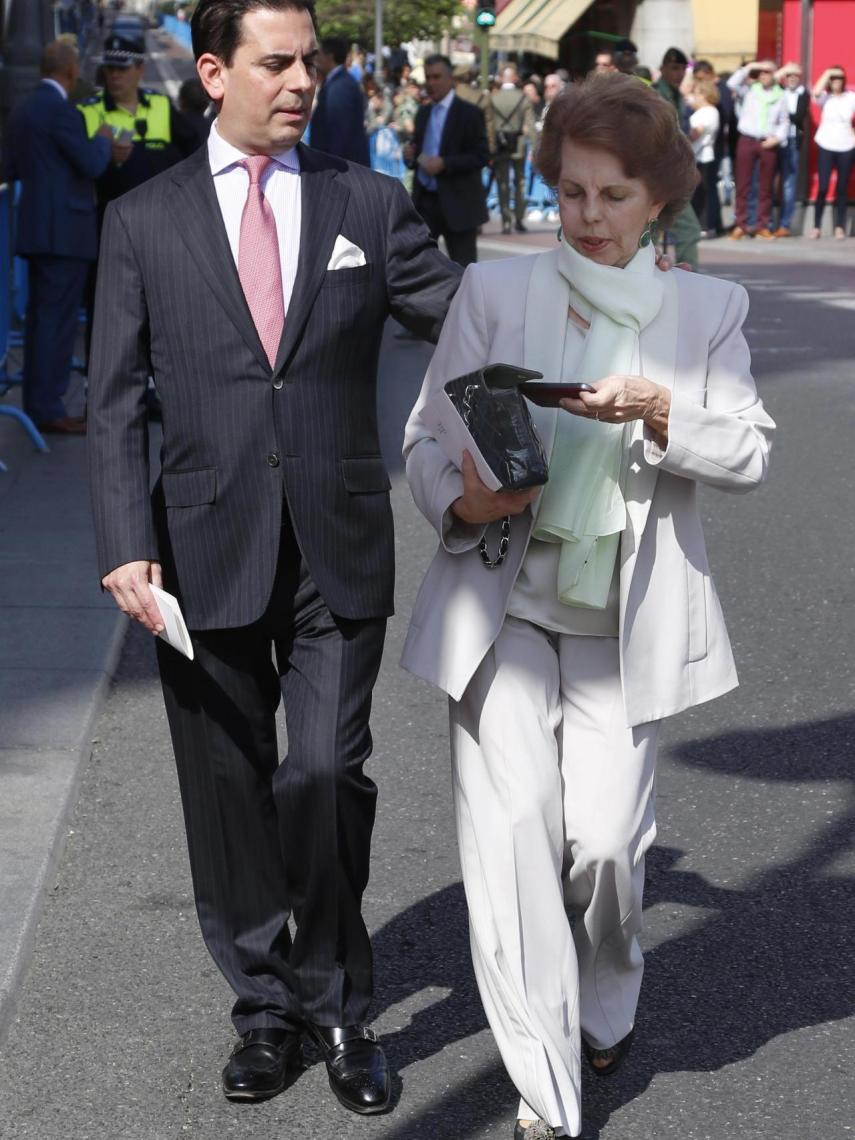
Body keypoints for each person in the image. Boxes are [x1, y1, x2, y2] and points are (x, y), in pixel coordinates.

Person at [88, 0, 460, 1116]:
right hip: (200, 544)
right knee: (227, 785)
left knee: (323, 775)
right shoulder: (142, 219)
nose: (303, 81)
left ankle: (340, 1006)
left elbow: (464, 314)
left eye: (312, 62)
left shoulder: (366, 202)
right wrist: (125, 545)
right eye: (278, 62)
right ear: (215, 72)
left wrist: (597, 297)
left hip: (336, 544)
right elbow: (115, 401)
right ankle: (264, 1007)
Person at [400, 72, 774, 1140]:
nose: (589, 217)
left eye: (613, 196)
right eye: (570, 192)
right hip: (501, 607)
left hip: (624, 623)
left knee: (605, 846)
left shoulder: (706, 310)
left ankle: (607, 996)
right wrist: (463, 498)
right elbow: (423, 439)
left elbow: (748, 453)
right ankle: (546, 1086)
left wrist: (658, 407)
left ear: (659, 199)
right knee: (516, 837)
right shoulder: (493, 293)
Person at [3, 40, 112, 434]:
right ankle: (50, 409)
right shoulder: (63, 112)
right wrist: (103, 138)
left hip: (34, 229)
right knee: (58, 323)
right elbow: (91, 163)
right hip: (66, 233)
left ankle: (37, 404)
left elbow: (11, 167)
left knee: (39, 322)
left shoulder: (23, 109)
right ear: (71, 70)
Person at [404, 54, 489, 267]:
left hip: (458, 204)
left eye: (437, 77)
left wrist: (445, 164)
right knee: (418, 266)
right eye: (428, 77)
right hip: (425, 202)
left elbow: (481, 155)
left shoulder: (469, 113)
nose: (431, 83)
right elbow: (419, 151)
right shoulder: (423, 113)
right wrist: (411, 157)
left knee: (463, 270)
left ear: (450, 79)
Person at [727, 60, 789, 239]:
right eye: (761, 72)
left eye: (767, 72)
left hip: (767, 141)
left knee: (766, 186)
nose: (763, 75)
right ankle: (741, 224)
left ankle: (762, 225)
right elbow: (731, 83)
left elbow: (784, 121)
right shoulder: (750, 90)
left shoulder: (780, 95)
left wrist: (777, 138)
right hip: (747, 139)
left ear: (774, 75)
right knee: (743, 184)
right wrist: (749, 67)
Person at [651, 47, 701, 268]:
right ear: (662, 68)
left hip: (668, 173)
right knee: (687, 229)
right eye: (674, 68)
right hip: (661, 173)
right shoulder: (656, 95)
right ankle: (689, 279)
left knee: (650, 231)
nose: (678, 73)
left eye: (682, 69)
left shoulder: (675, 95)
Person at [809, 66, 855, 240]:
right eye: (833, 79)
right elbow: (815, 92)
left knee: (842, 187)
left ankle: (839, 226)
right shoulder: (825, 97)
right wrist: (828, 72)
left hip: (847, 146)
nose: (836, 81)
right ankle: (816, 226)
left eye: (839, 78)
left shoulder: (851, 97)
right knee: (823, 187)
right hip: (826, 144)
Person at [309, 36, 370, 165]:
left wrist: (329, 167)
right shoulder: (337, 82)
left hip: (342, 166)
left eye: (319, 54)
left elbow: (338, 131)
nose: (316, 59)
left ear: (330, 56)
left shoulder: (340, 87)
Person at [490, 65, 535, 234]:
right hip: (518, 144)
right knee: (520, 182)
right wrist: (535, 147)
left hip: (500, 144)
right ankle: (519, 219)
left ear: (501, 78)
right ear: (515, 78)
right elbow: (531, 125)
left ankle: (506, 221)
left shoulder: (494, 98)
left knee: (502, 183)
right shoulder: (522, 97)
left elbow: (489, 124)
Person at [773, 63, 807, 237]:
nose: (792, 78)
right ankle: (767, 222)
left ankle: (785, 224)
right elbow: (769, 81)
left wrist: (782, 114)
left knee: (788, 183)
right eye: (789, 75)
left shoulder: (802, 93)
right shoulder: (778, 90)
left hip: (792, 140)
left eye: (795, 75)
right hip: (774, 140)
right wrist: (784, 70)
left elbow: (798, 116)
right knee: (769, 181)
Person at [688, 75, 721, 235]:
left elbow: (696, 133)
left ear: (704, 94)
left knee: (701, 193)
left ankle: (704, 226)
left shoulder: (709, 112)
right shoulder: (703, 111)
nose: (694, 97)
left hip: (702, 157)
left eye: (697, 93)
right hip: (696, 155)